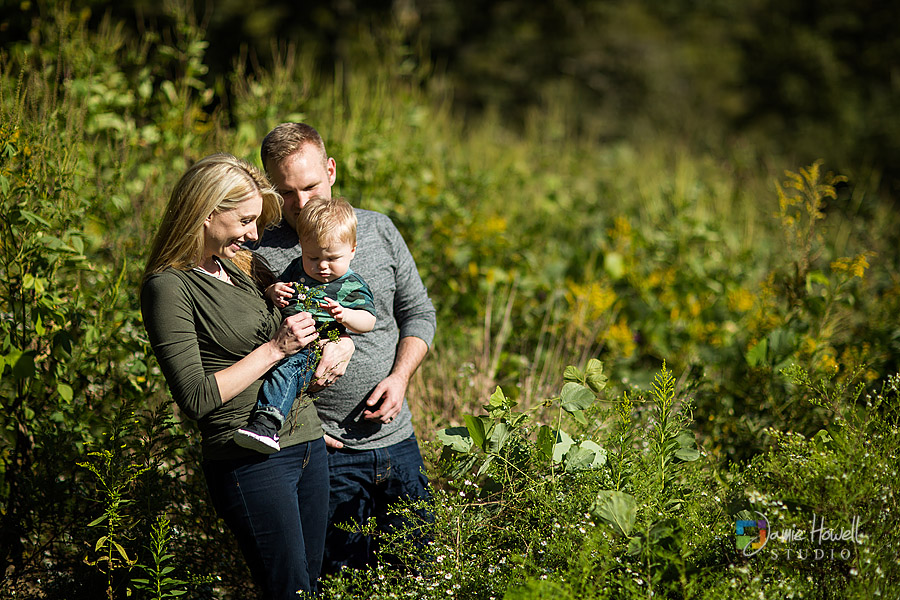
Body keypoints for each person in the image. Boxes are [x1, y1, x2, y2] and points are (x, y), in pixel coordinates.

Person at [140, 153, 333, 598]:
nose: (254, 234)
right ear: (206, 214)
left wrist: (335, 346)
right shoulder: (168, 287)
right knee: (288, 590)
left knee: (313, 586)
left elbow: (310, 317)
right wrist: (275, 349)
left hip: (306, 441)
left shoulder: (242, 266)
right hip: (248, 458)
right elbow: (196, 397)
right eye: (245, 220)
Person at [249, 123, 437, 574]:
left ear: (331, 170)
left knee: (420, 570)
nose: (301, 203)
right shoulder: (260, 252)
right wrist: (306, 422)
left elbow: (419, 313)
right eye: (285, 192)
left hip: (398, 443)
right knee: (341, 576)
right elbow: (258, 352)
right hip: (322, 453)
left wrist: (400, 378)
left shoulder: (377, 230)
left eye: (310, 185)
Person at [235, 196, 377, 454]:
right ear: (301, 247)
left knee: (287, 371)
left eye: (333, 258)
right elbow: (278, 288)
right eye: (313, 257)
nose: (322, 266)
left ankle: (268, 423)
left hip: (316, 343)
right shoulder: (298, 268)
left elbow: (368, 321)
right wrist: (272, 290)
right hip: (288, 336)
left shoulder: (352, 284)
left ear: (353, 250)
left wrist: (344, 315)